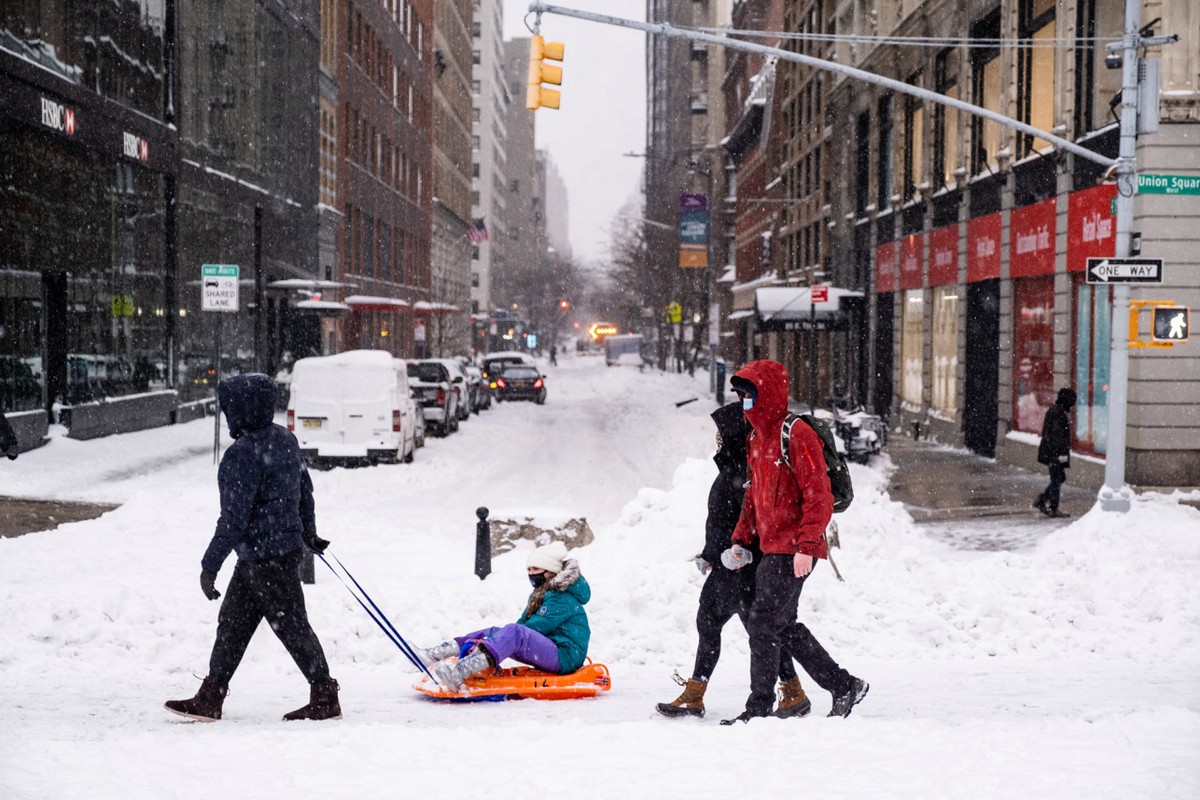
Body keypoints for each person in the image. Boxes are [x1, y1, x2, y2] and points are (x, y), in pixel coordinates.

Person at [165, 373, 339, 723]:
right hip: (269, 554)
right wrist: (308, 532)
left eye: (228, 407)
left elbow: (233, 520)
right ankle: (211, 696)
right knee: (232, 624)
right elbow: (305, 490)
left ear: (240, 409)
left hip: (265, 557)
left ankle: (324, 696)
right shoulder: (285, 440)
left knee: (292, 627)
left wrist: (209, 565)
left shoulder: (241, 455)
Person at [721, 360, 868, 724]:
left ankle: (758, 708)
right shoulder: (757, 438)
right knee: (781, 624)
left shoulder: (796, 433)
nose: (744, 402)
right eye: (741, 396)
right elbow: (753, 498)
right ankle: (844, 685)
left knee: (762, 622)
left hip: (794, 546)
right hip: (772, 546)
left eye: (749, 395)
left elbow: (817, 494)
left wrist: (806, 545)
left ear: (765, 395)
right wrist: (741, 538)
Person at [656, 400, 810, 719]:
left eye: (721, 432)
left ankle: (792, 691)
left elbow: (752, 518)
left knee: (759, 631)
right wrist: (710, 554)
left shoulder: (746, 467)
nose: (717, 439)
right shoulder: (734, 465)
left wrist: (738, 551)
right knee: (714, 622)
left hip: (743, 566)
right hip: (727, 564)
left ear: (733, 433)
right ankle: (697, 693)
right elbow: (721, 519)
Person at [419, 541, 590, 691]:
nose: (531, 573)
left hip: (565, 656)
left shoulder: (562, 598)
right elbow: (523, 624)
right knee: (494, 631)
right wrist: (494, 638)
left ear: (550, 572)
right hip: (552, 649)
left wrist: (498, 640)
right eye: (529, 569)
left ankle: (460, 672)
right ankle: (437, 653)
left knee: (512, 633)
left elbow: (536, 627)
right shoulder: (541, 594)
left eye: (536, 569)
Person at [1034, 387, 1077, 518]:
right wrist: (1060, 455)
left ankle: (1044, 500)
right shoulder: (1058, 414)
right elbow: (1057, 437)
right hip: (1054, 453)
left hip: (1051, 452)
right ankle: (1052, 506)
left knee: (1058, 478)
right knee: (1057, 479)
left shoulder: (1055, 411)